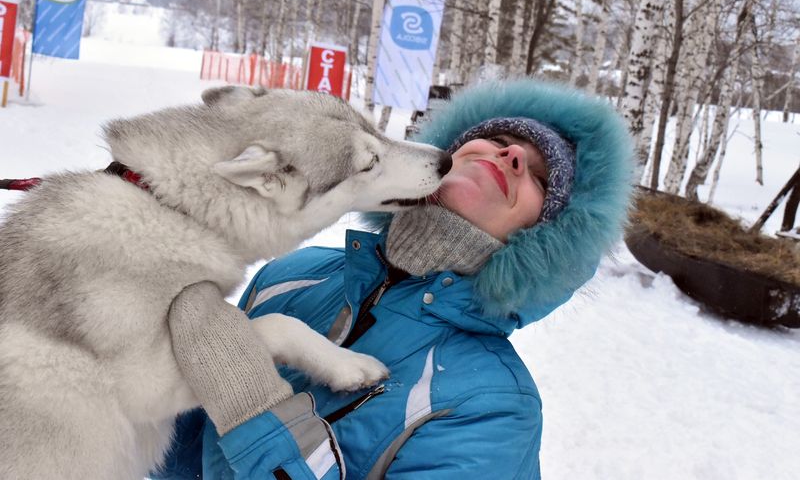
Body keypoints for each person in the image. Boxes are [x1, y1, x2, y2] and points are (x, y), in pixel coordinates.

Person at [154, 78, 633, 479]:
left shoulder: (492, 407)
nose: (510, 155)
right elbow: (170, 449)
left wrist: (255, 405)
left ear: (546, 240)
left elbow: (237, 399)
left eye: (541, 177)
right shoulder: (288, 277)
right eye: (501, 138)